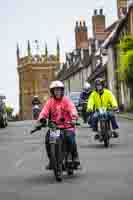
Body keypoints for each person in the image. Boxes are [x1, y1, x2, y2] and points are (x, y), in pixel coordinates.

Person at [36, 80, 80, 169]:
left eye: (59, 90)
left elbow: (72, 109)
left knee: (70, 138)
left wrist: (74, 117)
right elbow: (44, 111)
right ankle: (52, 160)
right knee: (48, 139)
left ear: (62, 91)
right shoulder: (50, 102)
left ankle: (75, 157)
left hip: (67, 126)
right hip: (54, 127)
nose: (57, 92)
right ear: (52, 92)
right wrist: (42, 119)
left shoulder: (66, 100)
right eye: (55, 90)